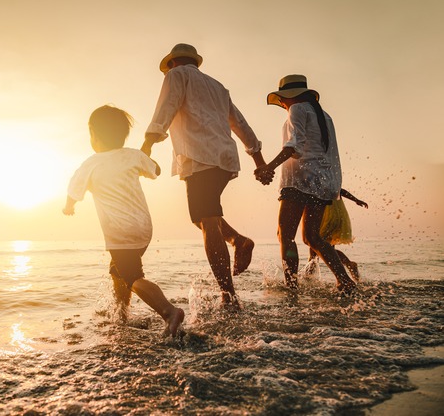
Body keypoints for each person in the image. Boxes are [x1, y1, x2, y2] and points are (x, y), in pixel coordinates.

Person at [140, 43, 269, 308]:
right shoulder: (218, 87)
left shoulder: (176, 76)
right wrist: (258, 159)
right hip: (223, 158)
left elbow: (166, 108)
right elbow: (239, 123)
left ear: (173, 63)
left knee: (207, 221)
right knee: (201, 217)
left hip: (200, 157)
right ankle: (238, 240)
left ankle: (229, 296)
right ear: (195, 62)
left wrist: (147, 145)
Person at [63, 105, 185, 336]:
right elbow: (155, 171)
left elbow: (73, 191)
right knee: (118, 271)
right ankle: (122, 315)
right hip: (143, 229)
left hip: (120, 232)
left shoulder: (91, 164)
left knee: (132, 277)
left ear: (93, 135)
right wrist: (143, 158)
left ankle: (169, 311)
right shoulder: (133, 155)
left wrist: (68, 207)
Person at [254, 74, 357, 293]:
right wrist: (335, 186)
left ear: (288, 97)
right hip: (322, 183)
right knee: (312, 237)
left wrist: (268, 167)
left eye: (282, 99)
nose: (282, 103)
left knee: (285, 235)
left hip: (300, 181)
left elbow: (294, 147)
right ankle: (344, 280)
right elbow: (329, 155)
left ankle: (291, 285)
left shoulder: (297, 109)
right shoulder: (324, 115)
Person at [303, 188, 368, 281]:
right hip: (335, 213)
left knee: (315, 244)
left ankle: (308, 277)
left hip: (328, 216)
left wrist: (356, 200)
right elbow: (340, 190)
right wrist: (356, 200)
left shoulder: (320, 182)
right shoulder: (328, 180)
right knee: (323, 247)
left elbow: (339, 190)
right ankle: (349, 264)